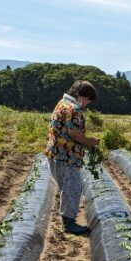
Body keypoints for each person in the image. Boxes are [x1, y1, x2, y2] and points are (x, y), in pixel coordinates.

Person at [44, 80, 100, 236]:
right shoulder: (74, 109)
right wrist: (91, 142)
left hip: (55, 154)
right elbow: (75, 134)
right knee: (73, 188)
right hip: (67, 157)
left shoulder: (61, 104)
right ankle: (69, 224)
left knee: (67, 188)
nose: (87, 104)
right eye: (88, 100)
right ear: (82, 96)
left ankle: (67, 220)